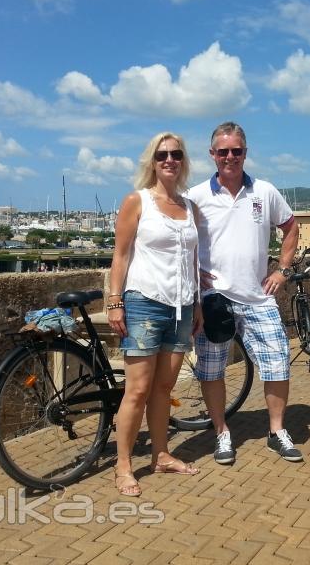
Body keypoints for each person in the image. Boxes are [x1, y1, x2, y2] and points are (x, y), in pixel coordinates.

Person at [188, 121, 302, 464]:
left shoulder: (264, 192)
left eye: (236, 150)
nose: (230, 157)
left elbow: (291, 226)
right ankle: (222, 432)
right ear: (212, 154)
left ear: (245, 153)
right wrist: (194, 274)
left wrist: (282, 270)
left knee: (278, 362)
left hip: (257, 296)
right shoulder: (196, 196)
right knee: (211, 370)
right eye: (223, 151)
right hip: (214, 298)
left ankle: (276, 430)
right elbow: (181, 240)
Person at [107, 131, 202, 497]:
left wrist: (197, 305)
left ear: (183, 161)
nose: (169, 160)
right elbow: (121, 255)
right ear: (152, 161)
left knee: (164, 388)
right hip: (145, 302)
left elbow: (192, 260)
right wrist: (115, 300)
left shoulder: (190, 207)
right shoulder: (138, 201)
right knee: (138, 389)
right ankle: (124, 464)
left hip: (181, 306)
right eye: (162, 155)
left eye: (176, 154)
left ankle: (161, 454)